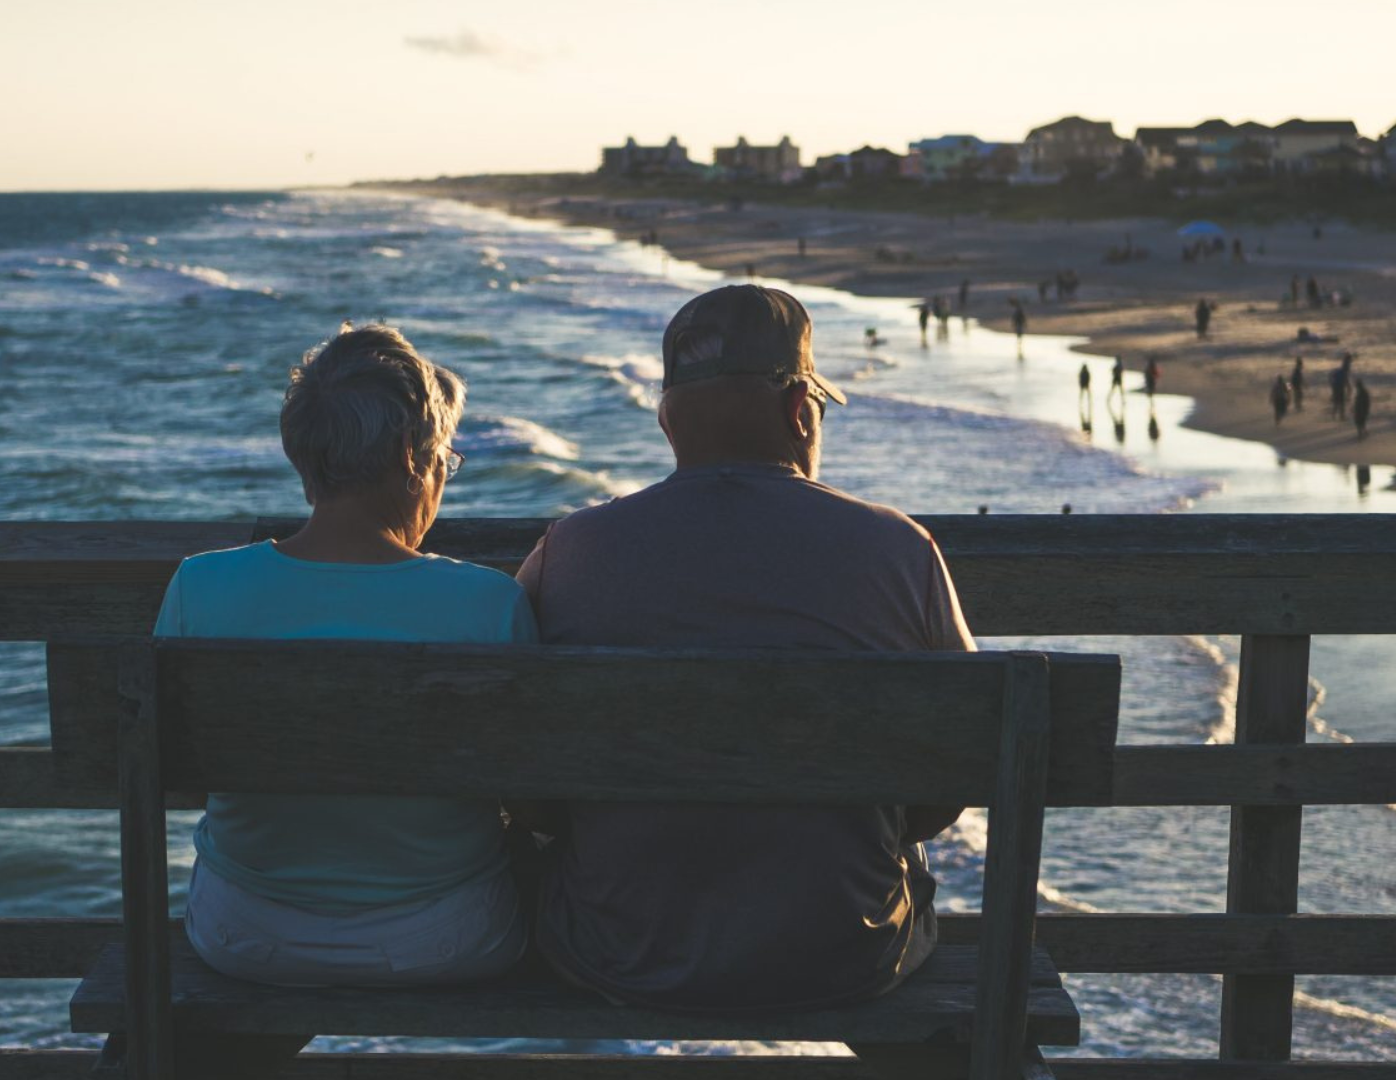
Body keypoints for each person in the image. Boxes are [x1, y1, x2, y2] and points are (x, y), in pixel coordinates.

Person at [517, 285, 974, 1012]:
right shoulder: (900, 550)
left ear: (668, 423)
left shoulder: (567, 551)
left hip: (621, 952)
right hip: (847, 955)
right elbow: (962, 761)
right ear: (800, 412)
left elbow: (521, 773)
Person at [155, 324, 533, 988]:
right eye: (445, 457)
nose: (444, 475)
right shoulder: (488, 604)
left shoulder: (198, 586)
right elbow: (535, 794)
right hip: (447, 938)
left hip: (243, 934)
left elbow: (174, 771)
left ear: (306, 464)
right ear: (412, 458)